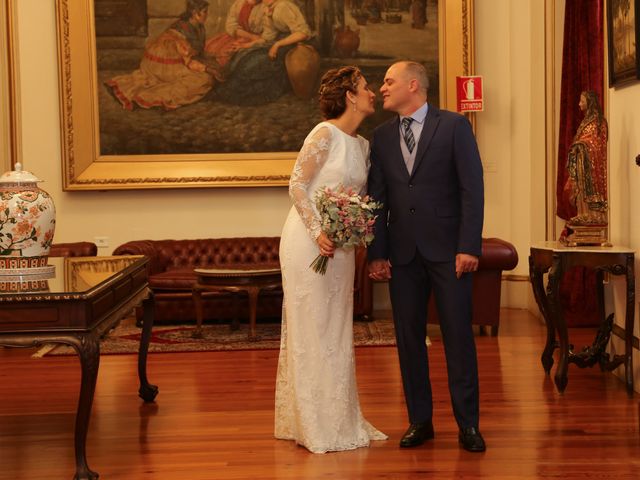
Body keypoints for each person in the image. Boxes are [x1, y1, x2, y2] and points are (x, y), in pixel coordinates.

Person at [367, 61, 486, 452]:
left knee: (457, 339)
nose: (381, 88)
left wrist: (468, 246)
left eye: (389, 81)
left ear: (413, 85)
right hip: (402, 256)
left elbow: (472, 190)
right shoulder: (380, 137)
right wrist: (377, 253)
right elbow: (377, 199)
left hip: (449, 253)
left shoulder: (453, 126)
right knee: (409, 340)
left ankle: (468, 424)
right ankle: (420, 420)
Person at [275, 66, 387, 453]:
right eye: (365, 87)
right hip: (308, 243)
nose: (372, 92)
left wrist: (350, 234)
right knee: (312, 328)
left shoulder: (363, 145)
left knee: (336, 328)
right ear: (350, 96)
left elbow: (358, 199)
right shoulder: (324, 133)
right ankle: (312, 424)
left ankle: (339, 418)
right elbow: (297, 185)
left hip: (341, 247)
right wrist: (318, 231)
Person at [106, 0, 222, 110]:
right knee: (203, 80)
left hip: (181, 60)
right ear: (194, 13)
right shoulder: (182, 31)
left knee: (209, 75)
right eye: (205, 12)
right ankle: (144, 97)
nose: (207, 15)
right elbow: (187, 59)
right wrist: (207, 68)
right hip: (165, 66)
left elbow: (196, 52)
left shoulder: (199, 27)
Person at [563, 90, 608, 226]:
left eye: (582, 101)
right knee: (581, 191)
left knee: (588, 192)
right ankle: (582, 216)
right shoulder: (586, 121)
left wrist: (580, 144)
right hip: (582, 164)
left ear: (589, 102)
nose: (579, 104)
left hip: (591, 168)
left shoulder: (597, 121)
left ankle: (591, 217)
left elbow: (595, 142)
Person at [203, 0, 266, 68]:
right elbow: (231, 25)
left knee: (230, 57)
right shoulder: (239, 3)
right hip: (239, 35)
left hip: (257, 40)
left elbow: (267, 34)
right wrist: (250, 36)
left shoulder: (266, 6)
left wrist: (254, 39)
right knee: (211, 49)